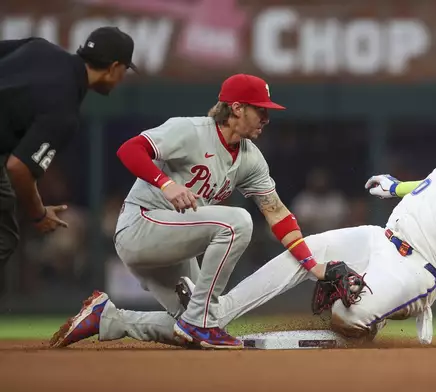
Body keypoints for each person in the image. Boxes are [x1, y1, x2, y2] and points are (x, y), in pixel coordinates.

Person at [173, 100, 436, 346]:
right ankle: (214, 314)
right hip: (381, 239)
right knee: (305, 251)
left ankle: (371, 320)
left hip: (418, 271)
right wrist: (396, 187)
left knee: (346, 316)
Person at [50, 73, 354, 350]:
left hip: (174, 245)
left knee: (208, 320)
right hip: (140, 225)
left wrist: (314, 267)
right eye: (260, 109)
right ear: (236, 108)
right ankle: (198, 320)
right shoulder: (191, 131)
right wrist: (165, 183)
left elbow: (277, 213)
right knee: (238, 222)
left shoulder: (250, 159)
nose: (266, 117)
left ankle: (108, 320)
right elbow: (129, 149)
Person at [0, 27, 136, 288]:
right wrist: (39, 214)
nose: (122, 77)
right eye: (125, 69)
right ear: (114, 67)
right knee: (4, 237)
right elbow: (19, 168)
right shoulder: (64, 110)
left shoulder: (40, 47)